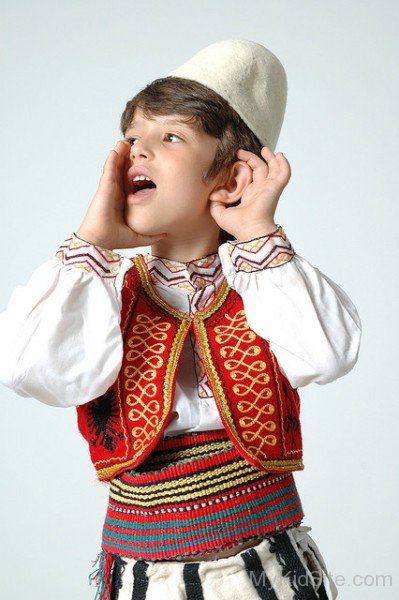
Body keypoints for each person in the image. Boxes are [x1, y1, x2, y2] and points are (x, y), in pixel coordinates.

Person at [0, 40, 361, 599]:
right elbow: (29, 369)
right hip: (147, 575)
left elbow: (328, 355)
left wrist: (258, 234)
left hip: (269, 568)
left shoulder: (268, 286)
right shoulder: (98, 296)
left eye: (170, 137)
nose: (136, 153)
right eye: (131, 139)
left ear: (233, 177)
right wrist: (93, 241)